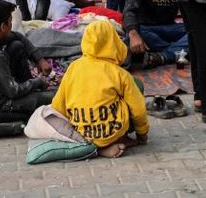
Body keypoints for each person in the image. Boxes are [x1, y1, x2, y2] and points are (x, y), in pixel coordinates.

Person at [51, 19, 150, 158]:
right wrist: (142, 133)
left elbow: (58, 105)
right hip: (112, 132)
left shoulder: (73, 68)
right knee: (137, 86)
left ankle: (95, 146)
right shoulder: (119, 73)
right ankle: (118, 140)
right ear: (113, 42)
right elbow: (138, 110)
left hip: (82, 133)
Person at [123, 0, 187, 69]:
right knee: (135, 33)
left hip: (170, 28)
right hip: (147, 30)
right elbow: (129, 11)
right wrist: (133, 34)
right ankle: (179, 50)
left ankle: (162, 55)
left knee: (199, 31)